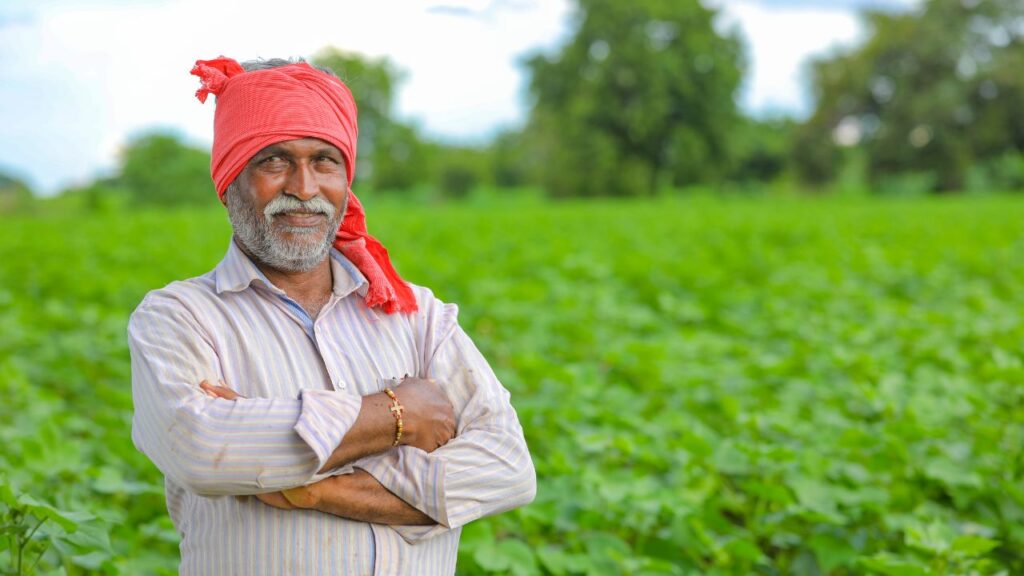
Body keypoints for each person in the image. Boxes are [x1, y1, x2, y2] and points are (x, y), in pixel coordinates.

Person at [127, 56, 536, 575]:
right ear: (230, 182)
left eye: (324, 161)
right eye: (274, 161)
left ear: (346, 179)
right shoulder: (179, 318)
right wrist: (396, 415)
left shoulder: (416, 315)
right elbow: (202, 447)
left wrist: (315, 489)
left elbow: (508, 468)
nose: (304, 187)